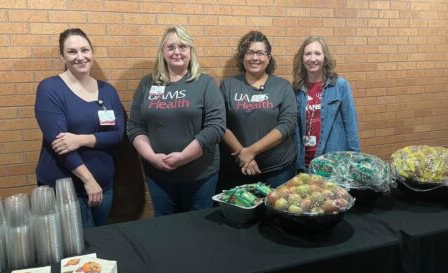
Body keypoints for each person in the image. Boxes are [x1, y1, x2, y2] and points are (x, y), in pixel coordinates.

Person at [127, 26, 225, 217]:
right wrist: (151, 157)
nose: (177, 52)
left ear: (191, 51)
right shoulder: (148, 83)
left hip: (200, 176)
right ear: (162, 51)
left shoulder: (204, 83)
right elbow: (135, 125)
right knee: (166, 230)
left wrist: (183, 157)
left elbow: (216, 127)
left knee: (198, 229)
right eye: (170, 47)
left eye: (183, 46)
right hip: (158, 175)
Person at [35, 28, 125, 227]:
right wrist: (88, 180)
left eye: (85, 50)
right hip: (68, 189)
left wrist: (81, 139)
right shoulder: (50, 89)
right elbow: (61, 146)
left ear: (92, 52)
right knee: (79, 251)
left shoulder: (107, 91)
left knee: (101, 243)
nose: (80, 57)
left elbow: (118, 135)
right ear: (62, 56)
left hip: (104, 185)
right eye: (72, 52)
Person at [218, 31, 297, 190]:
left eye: (261, 53)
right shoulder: (228, 85)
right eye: (250, 52)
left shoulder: (283, 86)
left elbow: (287, 125)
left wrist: (251, 151)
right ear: (242, 56)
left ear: (268, 57)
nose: (255, 58)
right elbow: (220, 123)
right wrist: (242, 153)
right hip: (237, 170)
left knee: (277, 214)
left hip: (278, 170)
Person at [292, 36, 361, 172]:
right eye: (308, 54)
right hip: (305, 163)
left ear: (325, 58)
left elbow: (351, 126)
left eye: (317, 53)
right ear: (302, 58)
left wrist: (355, 159)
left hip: (333, 162)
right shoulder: (296, 89)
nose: (312, 59)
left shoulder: (340, 86)